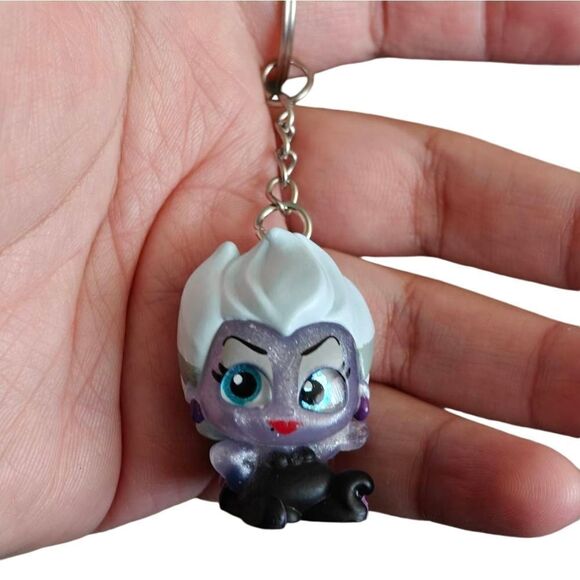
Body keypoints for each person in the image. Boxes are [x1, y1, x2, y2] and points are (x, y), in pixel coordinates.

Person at [0, 2, 578, 557]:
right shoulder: (237, 453)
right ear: (195, 391)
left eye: (316, 389)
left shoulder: (319, 439)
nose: (281, 415)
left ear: (358, 394)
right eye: (242, 383)